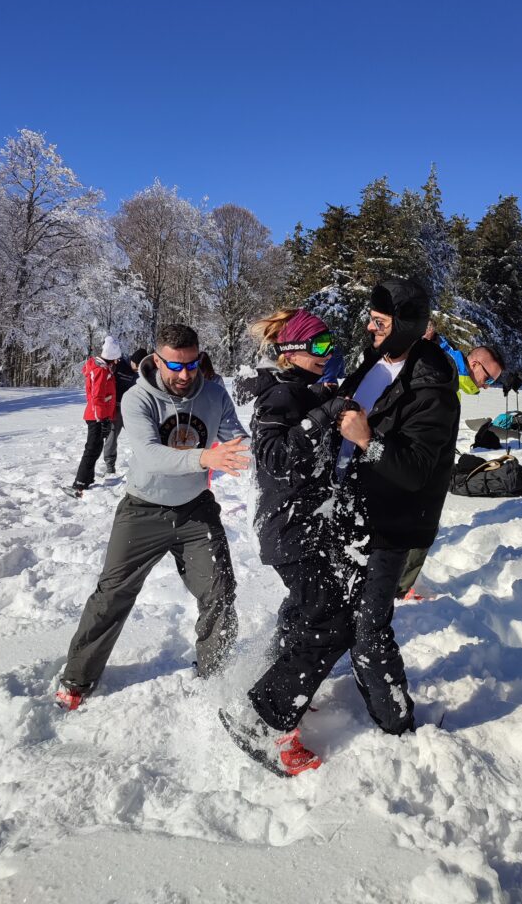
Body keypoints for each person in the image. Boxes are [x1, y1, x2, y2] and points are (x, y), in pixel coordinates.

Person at [220, 278, 459, 773]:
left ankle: (395, 728)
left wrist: (366, 440)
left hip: (388, 520)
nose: (369, 328)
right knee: (324, 615)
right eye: (371, 319)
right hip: (335, 514)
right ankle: (275, 700)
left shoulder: (430, 382)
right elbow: (289, 435)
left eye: (381, 322)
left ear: (407, 326)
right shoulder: (371, 362)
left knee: (361, 627)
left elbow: (415, 468)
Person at [55, 323, 251, 710]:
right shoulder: (137, 398)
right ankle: (78, 677)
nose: (185, 375)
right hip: (143, 509)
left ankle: (215, 674)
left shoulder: (213, 393)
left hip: (196, 508)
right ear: (157, 360)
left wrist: (253, 447)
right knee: (111, 595)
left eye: (192, 365)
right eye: (175, 366)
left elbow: (237, 438)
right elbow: (149, 454)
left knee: (220, 592)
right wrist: (204, 457)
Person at [220, 308, 339, 776]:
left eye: (331, 347)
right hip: (290, 529)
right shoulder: (279, 394)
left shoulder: (298, 390)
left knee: (309, 611)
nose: (327, 356)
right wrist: (322, 414)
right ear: (292, 351)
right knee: (328, 622)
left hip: (303, 525)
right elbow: (272, 456)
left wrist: (321, 399)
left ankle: (281, 682)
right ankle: (265, 719)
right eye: (321, 348)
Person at [395, 324, 505, 599]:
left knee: (417, 525)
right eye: (489, 378)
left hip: (429, 459)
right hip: (417, 460)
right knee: (418, 524)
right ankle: (396, 587)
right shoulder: (444, 370)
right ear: (475, 363)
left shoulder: (451, 368)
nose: (488, 386)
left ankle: (397, 583)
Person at [63, 336, 122, 499]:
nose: (118, 362)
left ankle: (87, 479)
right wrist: (101, 419)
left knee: (95, 448)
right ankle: (79, 484)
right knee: (91, 449)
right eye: (116, 358)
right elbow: (96, 397)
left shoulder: (105, 369)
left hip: (100, 416)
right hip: (96, 416)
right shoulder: (100, 371)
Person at [102, 347, 147, 475]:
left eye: (140, 366)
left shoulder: (142, 371)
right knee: (111, 437)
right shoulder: (119, 364)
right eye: (136, 365)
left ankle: (140, 462)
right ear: (131, 360)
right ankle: (110, 466)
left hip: (132, 409)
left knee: (139, 436)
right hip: (115, 408)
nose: (137, 368)